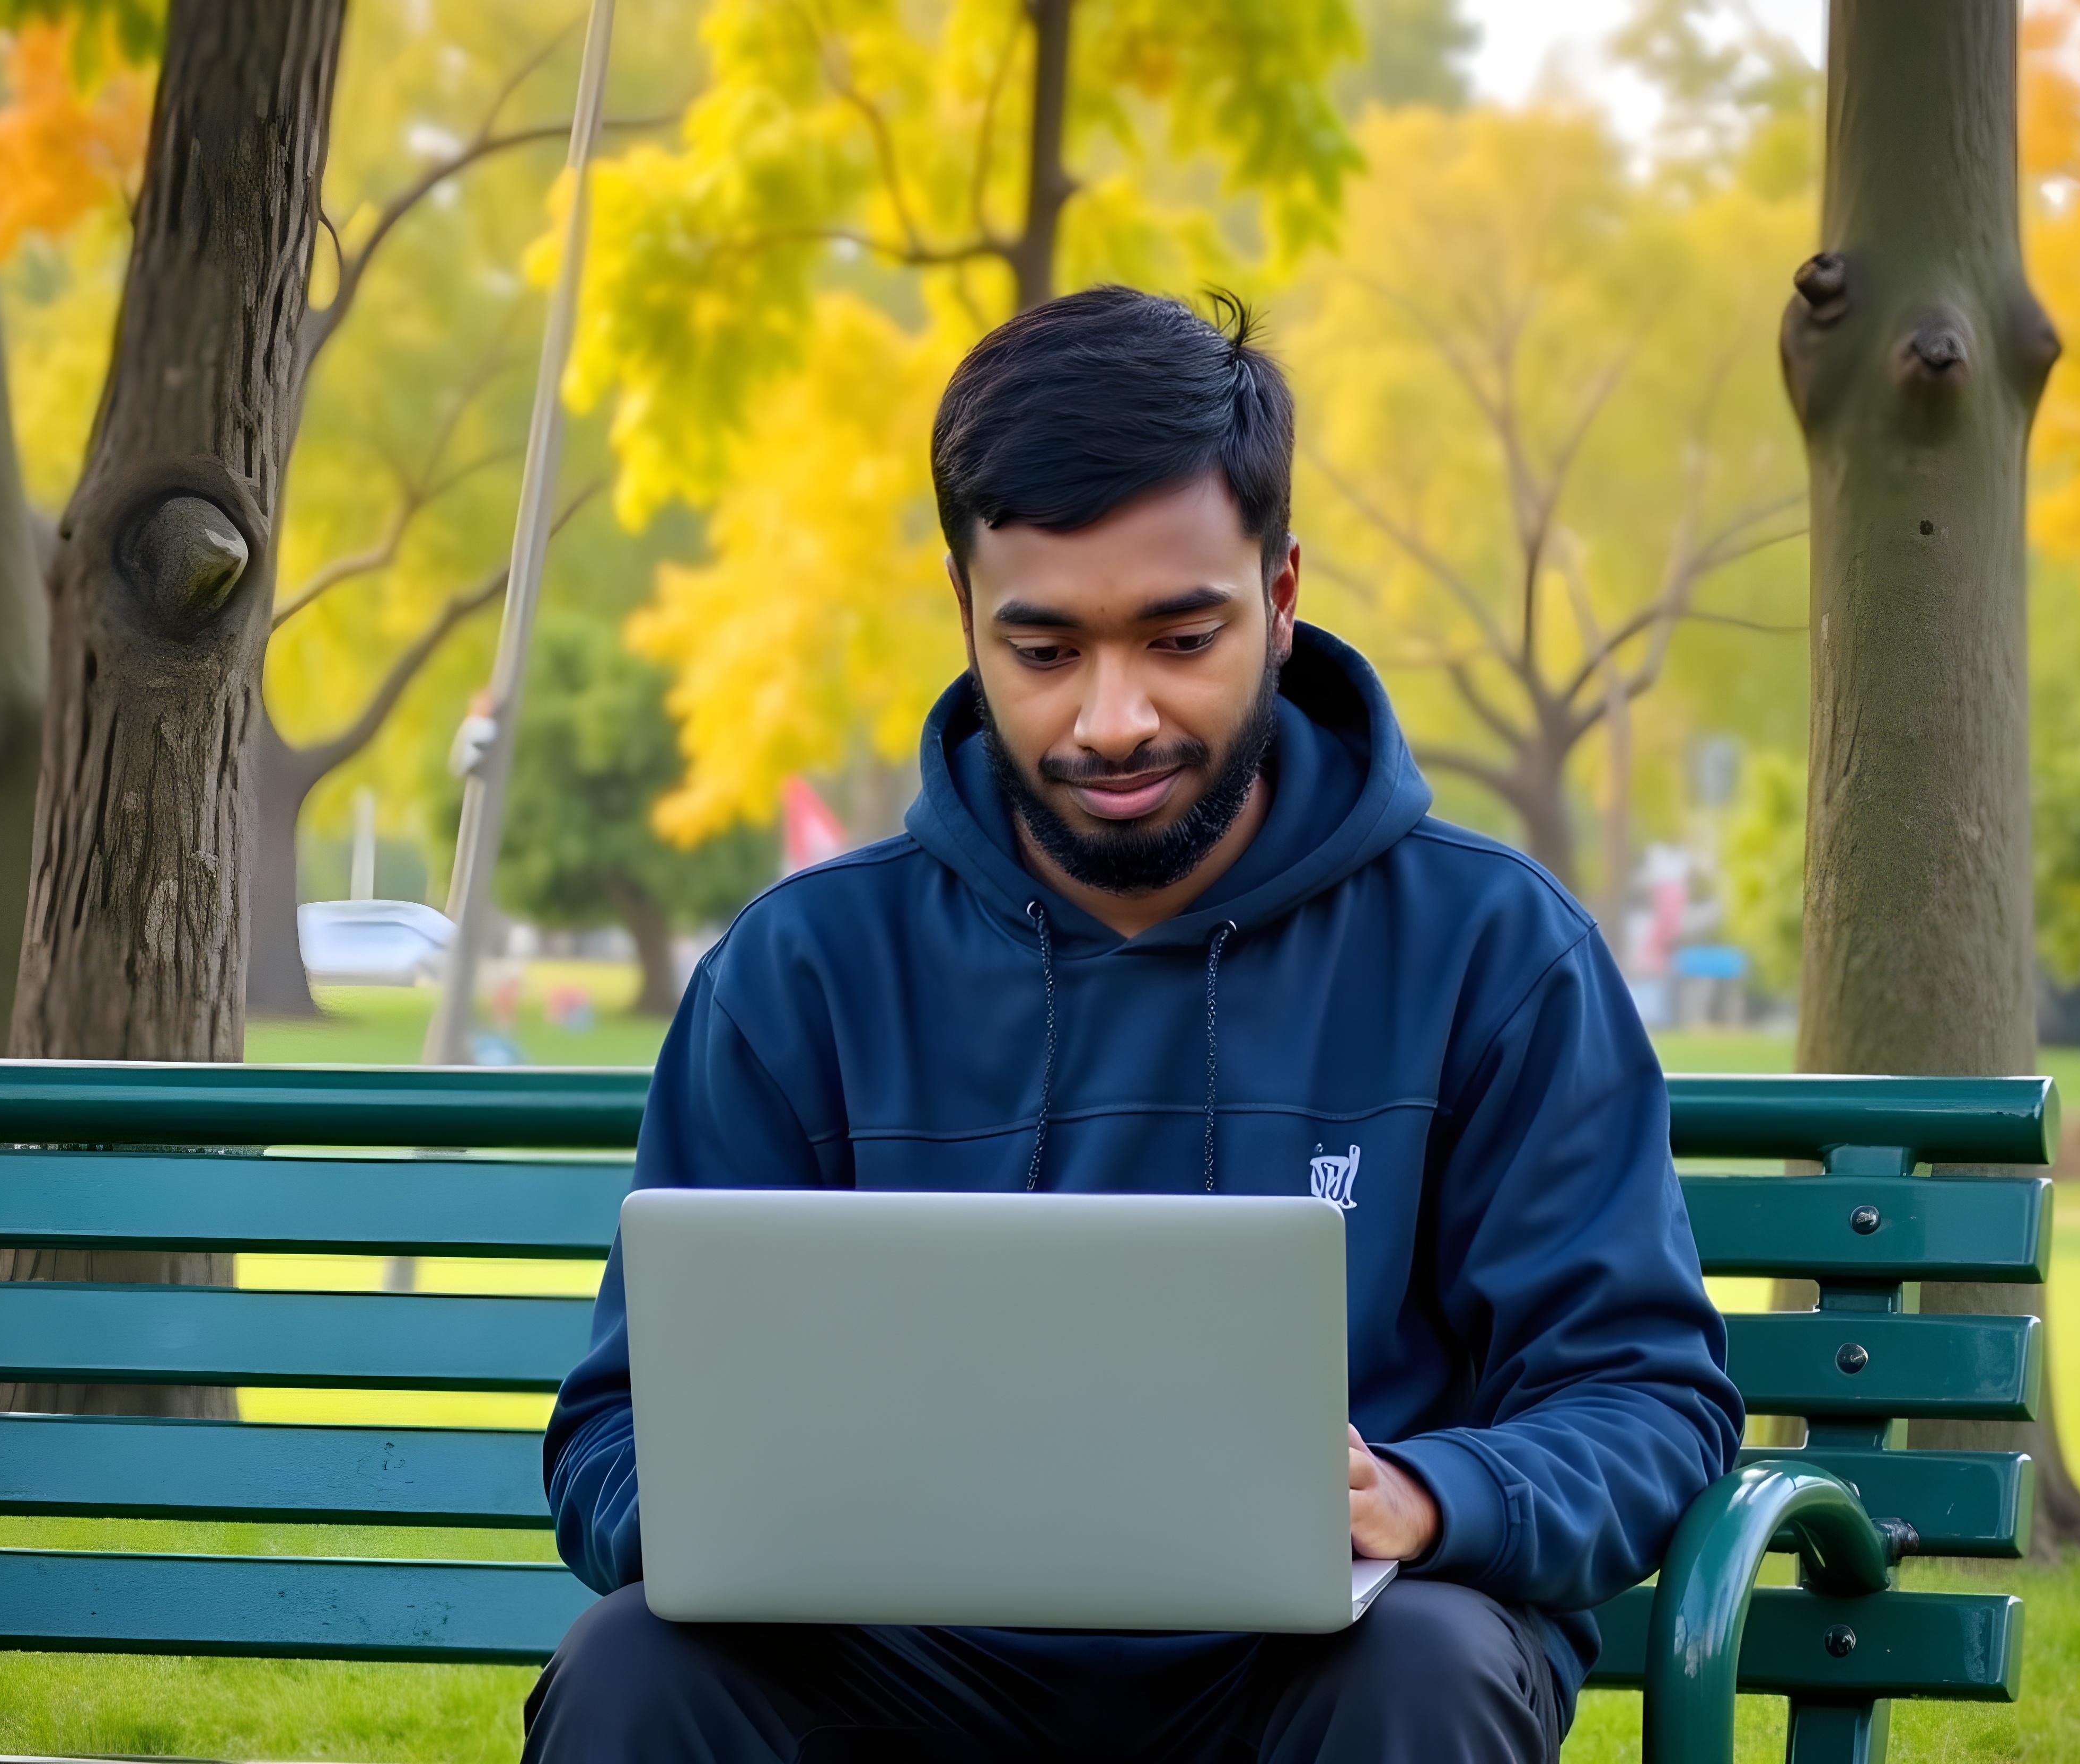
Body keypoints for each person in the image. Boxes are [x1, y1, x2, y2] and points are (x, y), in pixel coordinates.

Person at [524, 287, 1742, 1762]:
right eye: (1046, 653)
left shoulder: (1493, 950)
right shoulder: (804, 971)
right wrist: (758, 1511)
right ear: (969, 619)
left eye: (1180, 638)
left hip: (1317, 1669)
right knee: (635, 1671)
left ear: (1282, 597)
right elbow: (611, 1439)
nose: (1113, 720)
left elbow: (1641, 1398)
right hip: (902, 1677)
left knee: (1427, 1667)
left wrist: (1423, 1499)